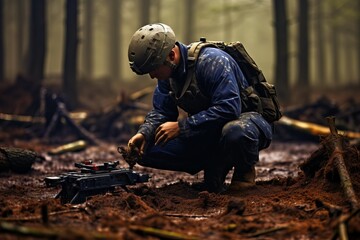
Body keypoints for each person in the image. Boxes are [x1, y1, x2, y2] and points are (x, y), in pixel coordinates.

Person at [126, 23, 273, 193]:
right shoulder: (167, 74)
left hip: (248, 124)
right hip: (210, 129)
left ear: (171, 55)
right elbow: (162, 111)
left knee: (235, 131)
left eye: (153, 69)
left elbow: (229, 108)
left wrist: (182, 127)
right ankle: (213, 165)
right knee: (146, 150)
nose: (152, 75)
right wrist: (144, 132)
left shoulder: (212, 61)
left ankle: (243, 173)